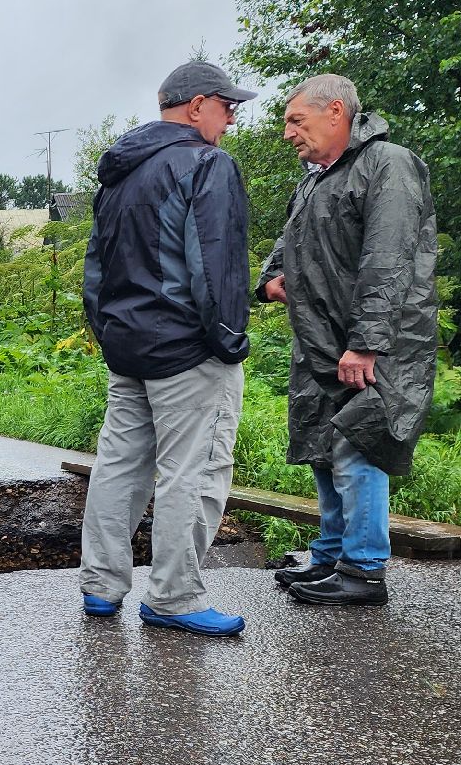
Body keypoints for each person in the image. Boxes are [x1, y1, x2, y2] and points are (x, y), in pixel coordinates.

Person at [75, 60, 257, 637]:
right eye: (227, 107)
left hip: (127, 346)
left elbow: (96, 267)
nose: (231, 120)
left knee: (119, 466)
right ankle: (175, 596)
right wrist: (228, 340)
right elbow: (216, 264)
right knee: (194, 471)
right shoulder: (206, 164)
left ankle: (101, 585)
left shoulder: (120, 171)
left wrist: (109, 333)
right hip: (187, 350)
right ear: (197, 105)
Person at [260, 74, 438, 606]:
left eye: (296, 120)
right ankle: (332, 554)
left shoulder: (388, 164)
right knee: (323, 445)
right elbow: (290, 242)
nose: (288, 133)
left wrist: (366, 342)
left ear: (335, 111)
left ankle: (363, 569)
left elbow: (389, 259)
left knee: (360, 444)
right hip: (321, 340)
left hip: (374, 342)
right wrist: (268, 279)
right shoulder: (316, 178)